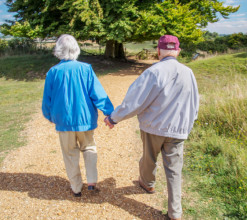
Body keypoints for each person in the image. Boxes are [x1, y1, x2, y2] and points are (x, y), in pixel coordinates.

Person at [104, 35, 199, 220]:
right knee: (174, 169)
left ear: (158, 51)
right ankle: (175, 213)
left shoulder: (153, 72)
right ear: (178, 51)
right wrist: (189, 124)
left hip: (153, 127)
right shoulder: (189, 73)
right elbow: (195, 103)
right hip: (178, 130)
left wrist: (114, 118)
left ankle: (148, 183)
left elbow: (134, 101)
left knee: (149, 158)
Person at [42, 34, 114, 197]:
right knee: (88, 147)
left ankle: (76, 187)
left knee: (69, 153)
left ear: (59, 50)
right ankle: (91, 181)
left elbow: (48, 99)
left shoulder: (53, 72)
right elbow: (98, 94)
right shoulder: (86, 69)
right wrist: (110, 113)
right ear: (76, 49)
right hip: (85, 120)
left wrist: (49, 115)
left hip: (64, 121)